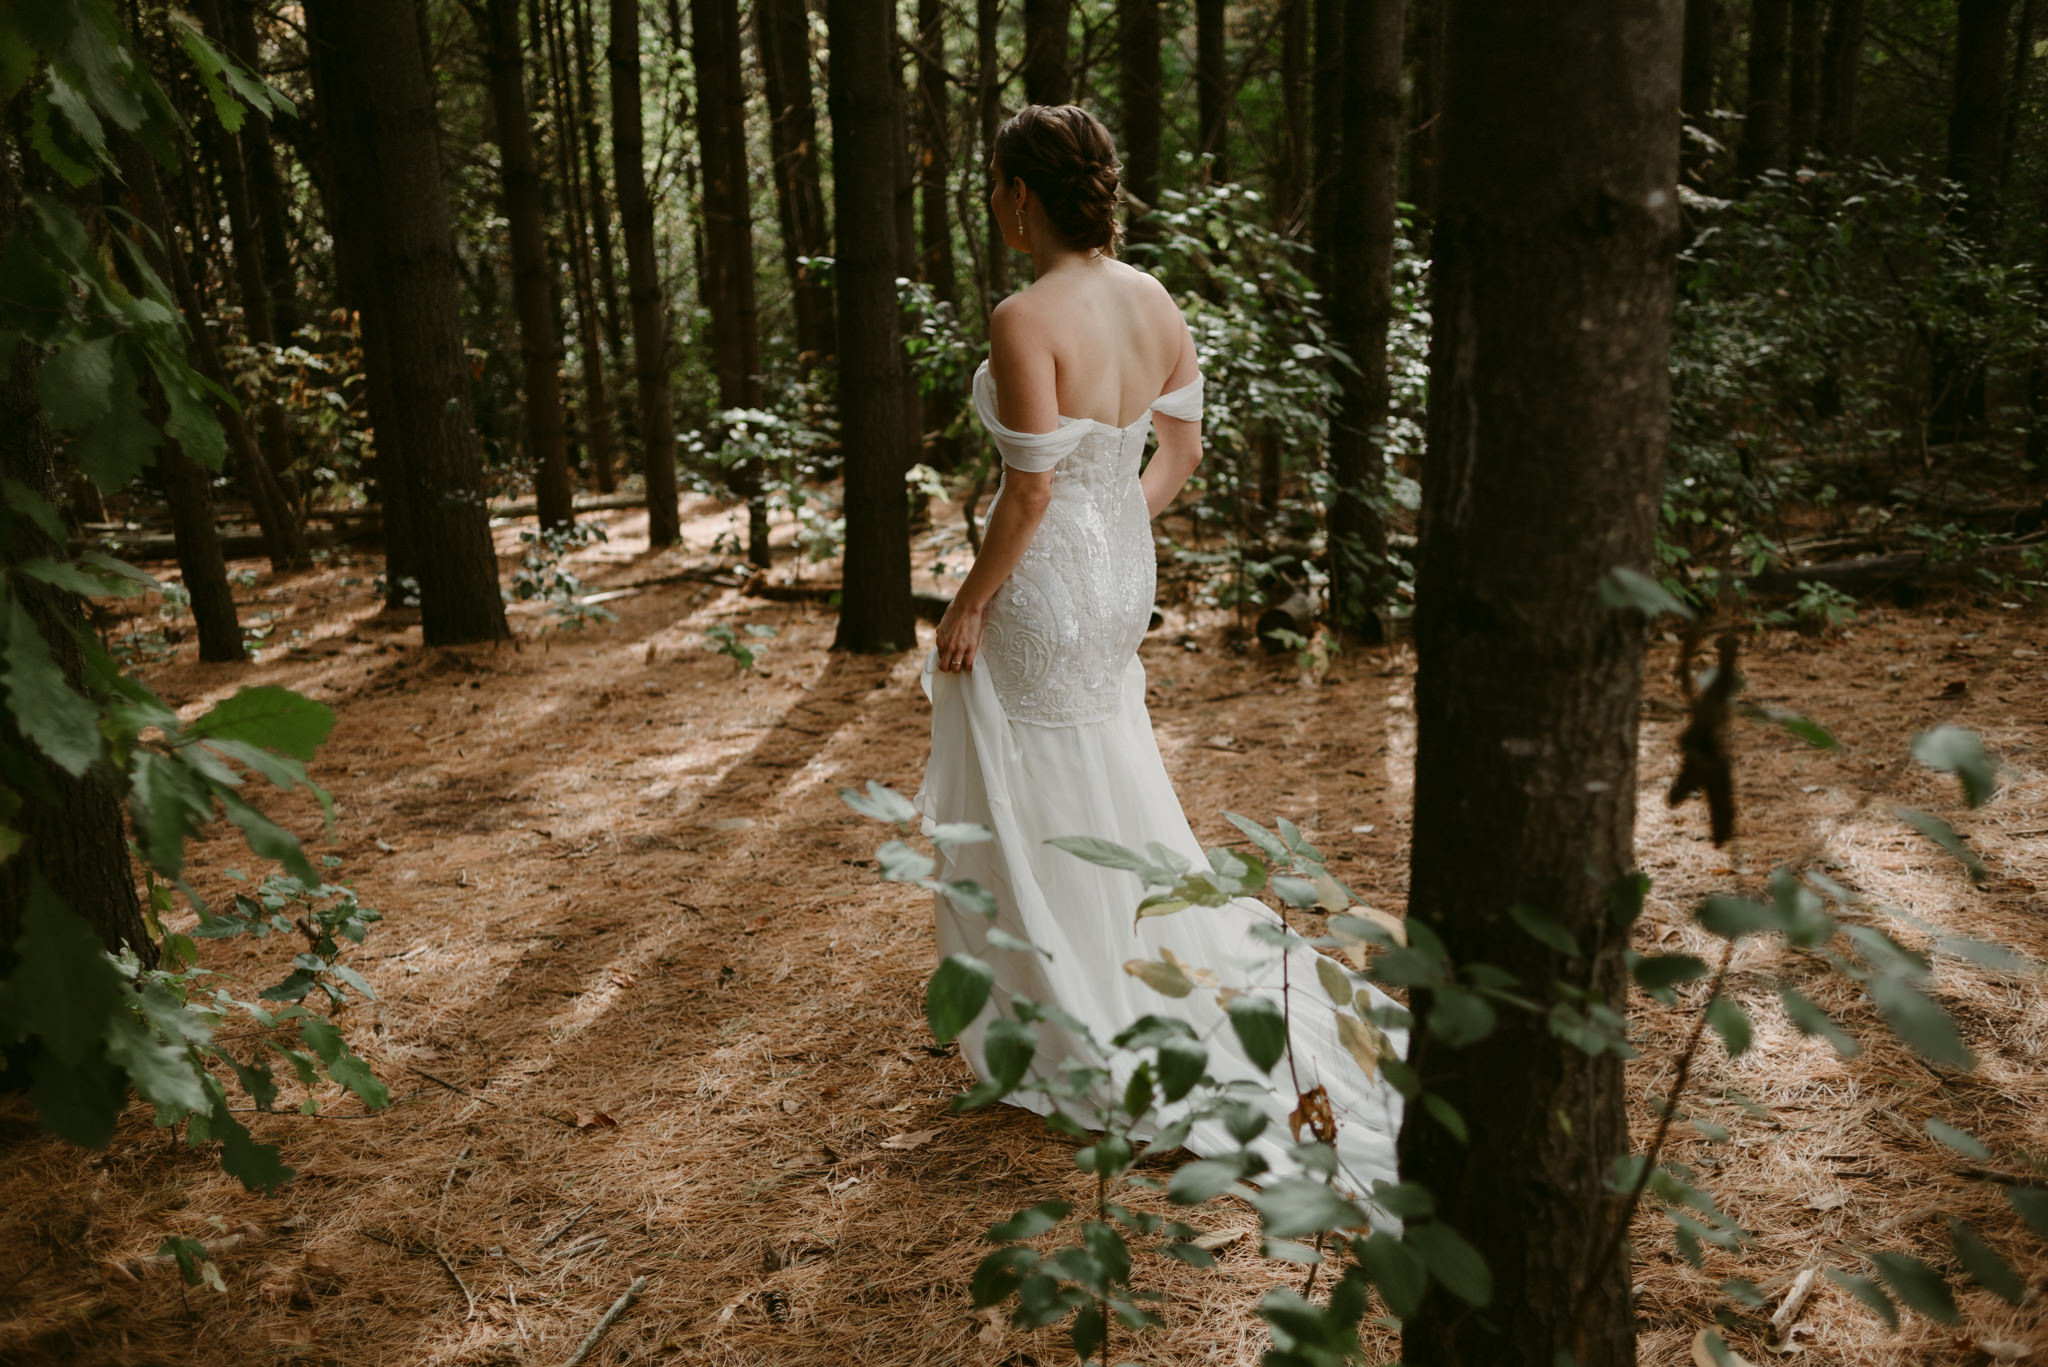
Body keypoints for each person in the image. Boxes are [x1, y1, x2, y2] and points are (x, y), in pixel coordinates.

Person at [913, 104, 1403, 1196]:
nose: (993, 203)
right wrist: (1113, 530)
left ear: (1021, 194)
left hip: (1043, 579)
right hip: (1120, 571)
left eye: (996, 184)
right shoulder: (1153, 298)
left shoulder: (1021, 313)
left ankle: (1054, 1000)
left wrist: (969, 601)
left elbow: (1030, 488)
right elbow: (1176, 448)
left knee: (1031, 775)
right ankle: (1126, 966)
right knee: (1100, 762)